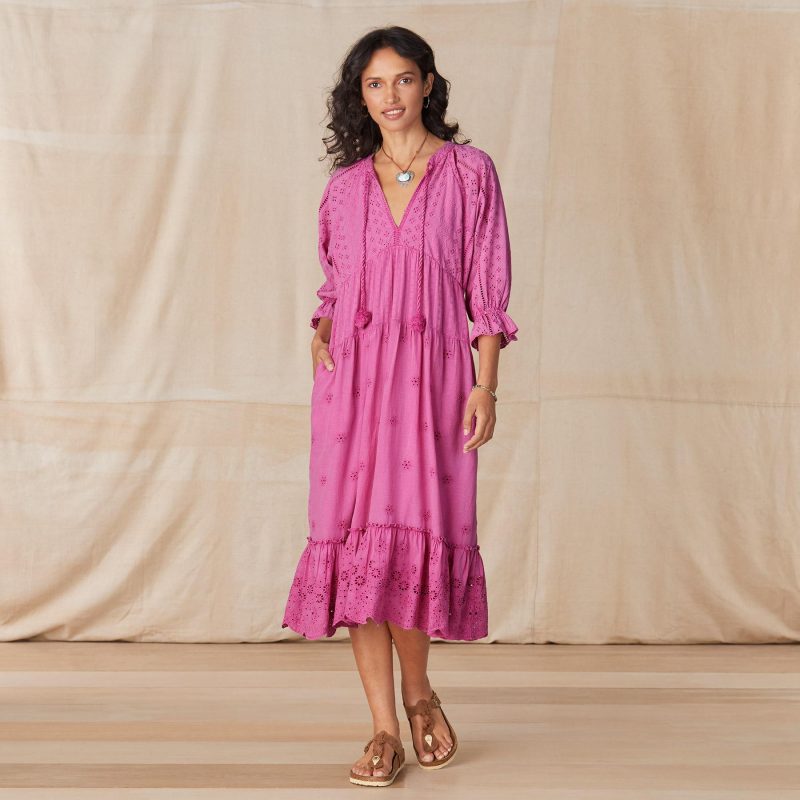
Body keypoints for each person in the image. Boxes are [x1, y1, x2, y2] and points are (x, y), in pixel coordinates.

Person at [281, 25, 519, 787]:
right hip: (351, 388)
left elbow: (487, 292)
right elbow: (334, 288)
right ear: (360, 96)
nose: (391, 96)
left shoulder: (470, 174)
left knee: (411, 541)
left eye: (404, 79)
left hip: (433, 383)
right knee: (355, 549)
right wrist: (321, 331)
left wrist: (485, 385)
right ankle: (384, 727)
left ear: (428, 85)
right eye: (375, 83)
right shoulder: (344, 188)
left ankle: (420, 694)